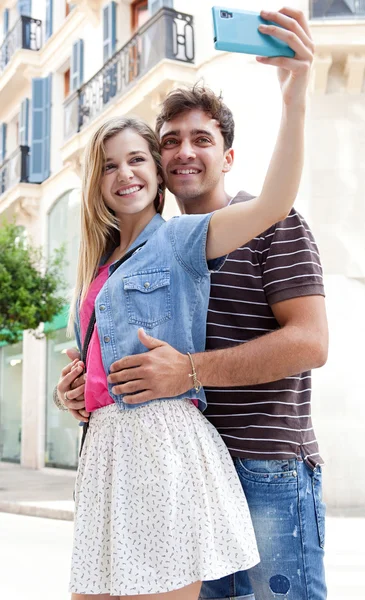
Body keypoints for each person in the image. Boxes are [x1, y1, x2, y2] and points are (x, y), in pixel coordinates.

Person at [57, 8, 325, 600]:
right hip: (126, 454)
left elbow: (278, 209)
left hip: (239, 457)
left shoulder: (187, 238)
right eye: (170, 141)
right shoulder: (107, 266)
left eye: (201, 139)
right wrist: (79, 386)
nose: (180, 153)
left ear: (227, 154)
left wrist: (295, 94)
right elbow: (110, 356)